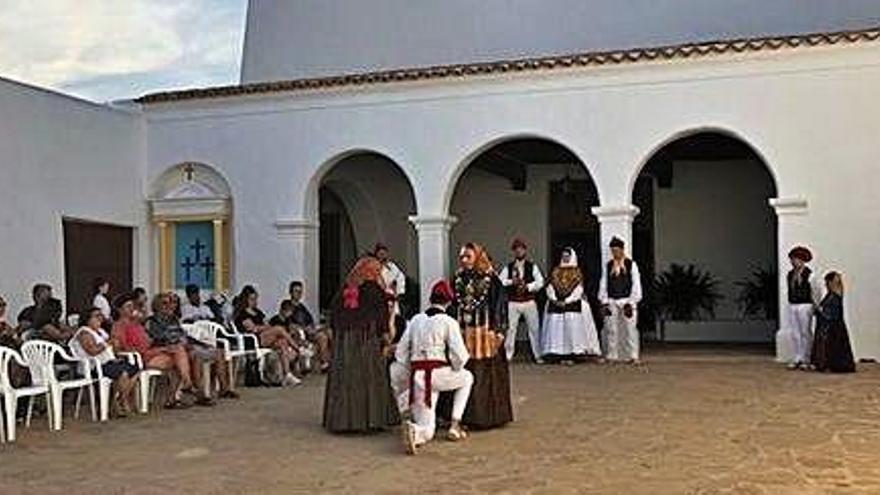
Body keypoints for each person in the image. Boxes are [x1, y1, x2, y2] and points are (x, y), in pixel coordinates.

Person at [394, 280, 473, 455]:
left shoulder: (415, 319)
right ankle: (455, 423)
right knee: (467, 377)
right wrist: (456, 366)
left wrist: (411, 369)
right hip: (438, 374)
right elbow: (460, 356)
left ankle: (416, 432)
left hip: (418, 377)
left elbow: (400, 352)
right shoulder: (448, 322)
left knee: (428, 429)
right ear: (448, 302)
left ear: (430, 299)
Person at [323, 256, 399, 433]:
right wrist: (386, 338)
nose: (380, 274)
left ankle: (343, 421)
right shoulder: (375, 290)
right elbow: (381, 317)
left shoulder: (345, 288)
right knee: (368, 379)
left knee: (346, 379)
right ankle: (369, 420)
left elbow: (333, 315)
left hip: (344, 343)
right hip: (366, 341)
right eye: (378, 271)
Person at [449, 242, 512, 430]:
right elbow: (453, 304)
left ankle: (487, 417)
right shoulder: (457, 279)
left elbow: (500, 305)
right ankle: (461, 415)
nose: (464, 260)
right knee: (463, 370)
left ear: (477, 256)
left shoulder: (492, 280)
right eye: (462, 257)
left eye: (468, 256)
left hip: (485, 334)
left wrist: (500, 331)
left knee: (485, 373)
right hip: (463, 332)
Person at [111, 292, 198, 410]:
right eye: (128, 306)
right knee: (179, 355)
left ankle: (180, 390)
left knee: (178, 355)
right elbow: (121, 348)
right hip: (140, 358)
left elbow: (149, 341)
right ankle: (182, 388)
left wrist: (161, 347)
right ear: (120, 310)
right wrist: (161, 348)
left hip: (151, 353)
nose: (132, 309)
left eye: (132, 306)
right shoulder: (119, 326)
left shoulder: (136, 323)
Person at [69, 307, 140, 416]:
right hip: (93, 366)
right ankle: (120, 403)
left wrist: (115, 347)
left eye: (101, 315)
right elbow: (92, 351)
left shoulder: (101, 331)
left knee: (134, 370)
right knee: (123, 373)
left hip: (108, 362)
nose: (100, 318)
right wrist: (107, 343)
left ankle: (119, 400)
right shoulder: (84, 333)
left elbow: (111, 348)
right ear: (88, 319)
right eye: (96, 316)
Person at [233, 285, 301, 386]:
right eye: (252, 299)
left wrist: (263, 327)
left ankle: (287, 375)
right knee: (279, 329)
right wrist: (264, 327)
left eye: (255, 299)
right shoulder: (242, 314)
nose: (254, 301)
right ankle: (297, 348)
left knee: (282, 342)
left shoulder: (258, 312)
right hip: (252, 340)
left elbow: (266, 325)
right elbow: (252, 329)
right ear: (246, 299)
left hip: (263, 337)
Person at [542, 247, 602, 363]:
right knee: (555, 324)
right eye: (564, 256)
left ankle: (574, 352)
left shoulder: (577, 271)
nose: (565, 258)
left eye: (567, 256)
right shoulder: (555, 271)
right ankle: (556, 352)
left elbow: (579, 288)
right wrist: (554, 298)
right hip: (556, 303)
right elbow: (549, 286)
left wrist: (568, 300)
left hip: (573, 303)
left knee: (572, 323)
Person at [498, 238, 544, 363]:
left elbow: (540, 282)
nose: (519, 251)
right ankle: (508, 354)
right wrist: (511, 282)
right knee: (511, 329)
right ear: (514, 251)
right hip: (513, 302)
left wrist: (528, 286)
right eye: (517, 249)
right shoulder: (508, 267)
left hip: (529, 301)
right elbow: (500, 281)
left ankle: (537, 354)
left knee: (534, 328)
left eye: (521, 249)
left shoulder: (532, 266)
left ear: (525, 250)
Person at [599, 237, 643, 364]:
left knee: (630, 329)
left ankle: (633, 355)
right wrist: (604, 300)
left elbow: (636, 284)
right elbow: (604, 283)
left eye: (617, 250)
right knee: (611, 329)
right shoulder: (608, 266)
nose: (615, 253)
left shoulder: (631, 264)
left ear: (622, 250)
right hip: (612, 300)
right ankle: (612, 355)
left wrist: (632, 301)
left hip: (627, 301)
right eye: (613, 251)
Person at [810, 271, 855, 373]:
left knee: (833, 347)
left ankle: (832, 365)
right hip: (833, 326)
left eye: (828, 283)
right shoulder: (831, 295)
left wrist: (819, 310)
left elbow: (831, 313)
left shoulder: (835, 296)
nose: (826, 285)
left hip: (833, 327)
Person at [786, 246, 820, 370]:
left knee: (805, 332)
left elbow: (815, 292)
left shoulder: (810, 275)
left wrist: (816, 306)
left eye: (795, 259)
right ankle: (797, 357)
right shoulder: (790, 274)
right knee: (795, 332)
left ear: (802, 260)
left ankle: (807, 358)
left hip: (806, 304)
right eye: (792, 259)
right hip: (793, 304)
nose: (792, 261)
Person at [285, 281, 331, 372]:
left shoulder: (302, 307)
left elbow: (310, 321)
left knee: (328, 333)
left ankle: (329, 362)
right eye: (296, 291)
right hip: (299, 333)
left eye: (300, 292)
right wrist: (305, 329)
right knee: (322, 336)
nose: (299, 294)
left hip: (309, 331)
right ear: (291, 292)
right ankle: (324, 362)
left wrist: (313, 328)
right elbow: (289, 324)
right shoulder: (287, 306)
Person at [375, 243, 406, 317]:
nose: (382, 256)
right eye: (380, 253)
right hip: (377, 296)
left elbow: (400, 278)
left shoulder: (392, 266)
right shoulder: (373, 266)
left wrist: (398, 291)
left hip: (391, 294)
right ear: (376, 254)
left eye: (384, 253)